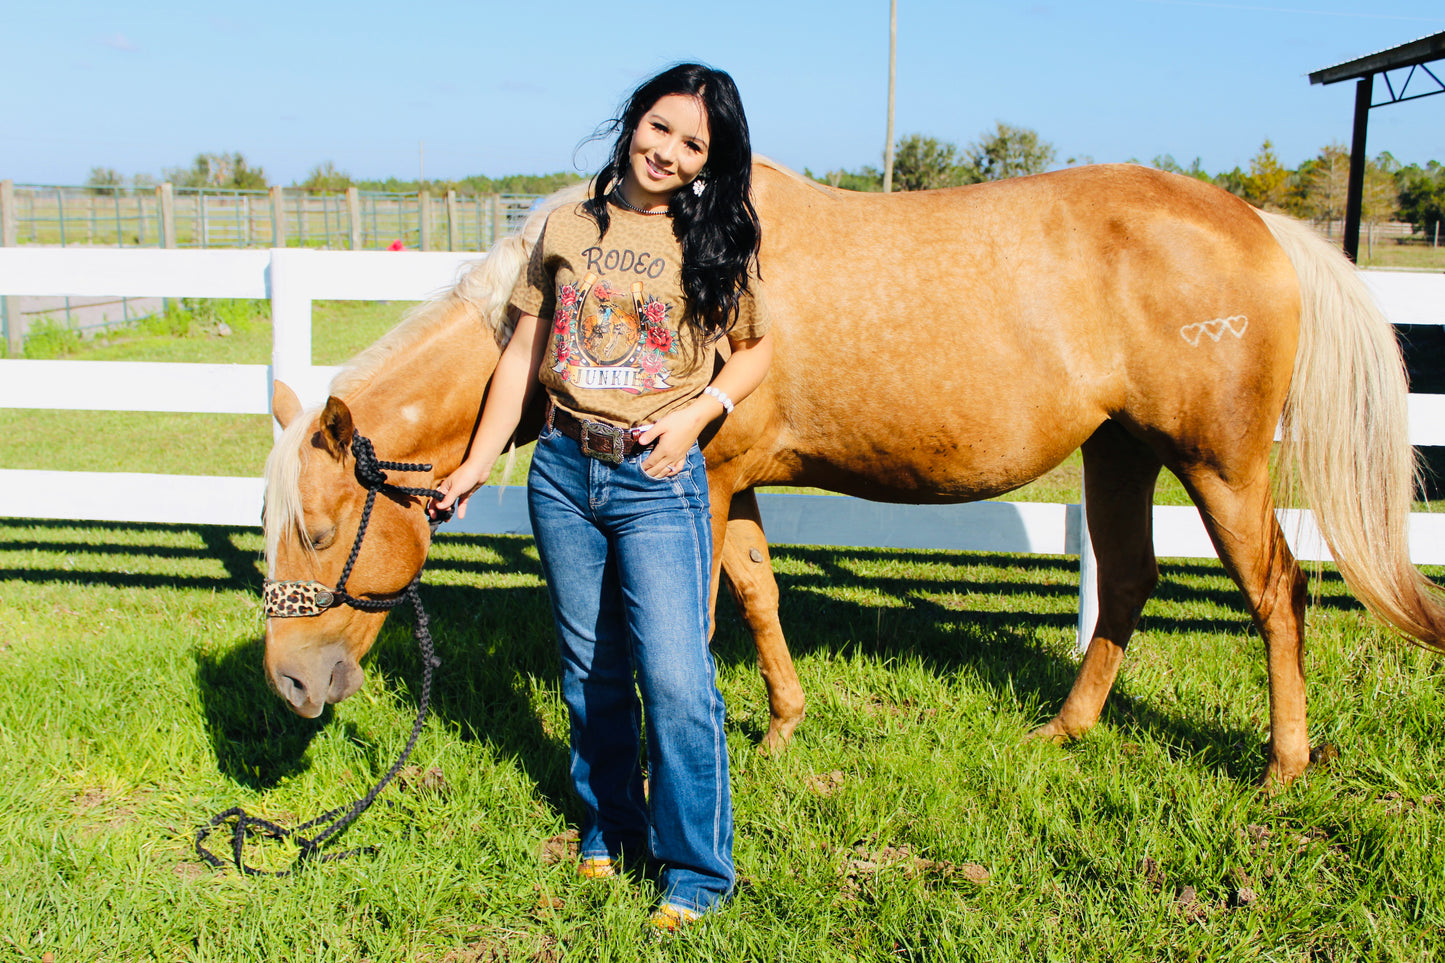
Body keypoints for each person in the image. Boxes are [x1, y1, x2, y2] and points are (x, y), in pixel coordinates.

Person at [429, 63, 772, 929]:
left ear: (708, 161)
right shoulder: (564, 225)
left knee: (676, 673)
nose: (669, 152)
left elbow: (756, 350)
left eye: (693, 144)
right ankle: (609, 823)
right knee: (589, 669)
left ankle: (696, 868)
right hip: (561, 470)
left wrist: (699, 415)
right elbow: (523, 353)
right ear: (633, 122)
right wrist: (477, 463)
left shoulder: (718, 233)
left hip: (655, 478)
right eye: (660, 128)